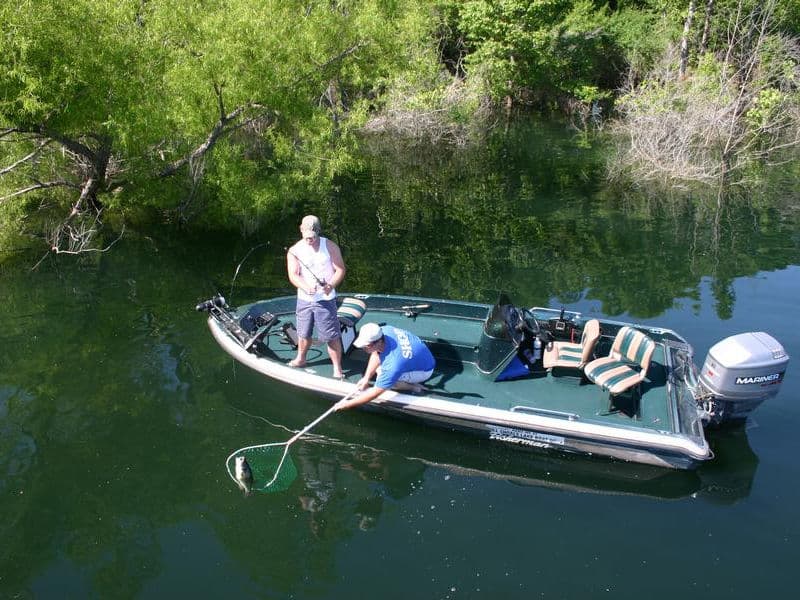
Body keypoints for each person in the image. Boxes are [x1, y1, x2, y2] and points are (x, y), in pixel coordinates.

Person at [286, 215, 347, 379]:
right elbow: (293, 275)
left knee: (331, 336)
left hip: (325, 300)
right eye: (306, 237)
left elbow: (340, 270)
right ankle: (300, 359)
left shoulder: (330, 246)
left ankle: (337, 368)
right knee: (303, 333)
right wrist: (305, 287)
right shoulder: (294, 250)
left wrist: (330, 285)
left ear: (318, 232)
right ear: (301, 230)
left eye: (312, 237)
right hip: (304, 299)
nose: (309, 240)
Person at [335, 322, 435, 410]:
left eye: (367, 346)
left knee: (384, 377)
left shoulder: (393, 365)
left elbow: (376, 392)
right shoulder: (385, 330)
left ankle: (414, 388)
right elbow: (376, 353)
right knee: (382, 369)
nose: (364, 349)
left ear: (378, 342)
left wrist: (347, 404)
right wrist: (366, 378)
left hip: (424, 371)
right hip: (423, 358)